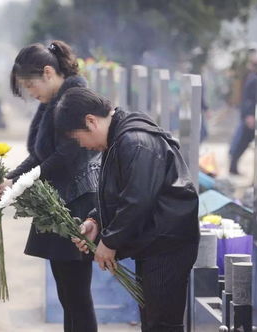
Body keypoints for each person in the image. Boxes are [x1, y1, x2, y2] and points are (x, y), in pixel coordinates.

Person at [55, 87, 200, 332]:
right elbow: (120, 193)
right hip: (155, 241)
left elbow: (137, 200)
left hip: (168, 245)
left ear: (91, 121)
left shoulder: (134, 142)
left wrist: (109, 242)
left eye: (80, 139)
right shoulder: (119, 139)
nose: (84, 146)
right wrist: (96, 221)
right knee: (153, 320)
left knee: (162, 324)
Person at [0, 41, 101, 332]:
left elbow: (65, 156)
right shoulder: (52, 101)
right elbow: (40, 155)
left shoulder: (75, 100)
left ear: (49, 72)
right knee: (68, 293)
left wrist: (21, 183)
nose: (30, 92)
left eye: (30, 84)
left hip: (75, 203)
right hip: (58, 199)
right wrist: (12, 180)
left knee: (76, 294)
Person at [229, 60, 257, 175]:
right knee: (242, 142)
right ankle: (233, 166)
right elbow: (248, 99)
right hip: (253, 118)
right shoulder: (255, 80)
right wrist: (249, 115)